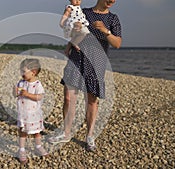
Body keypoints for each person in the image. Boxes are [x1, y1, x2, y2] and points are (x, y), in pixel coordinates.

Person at [49, 0, 122, 152]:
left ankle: (90, 136)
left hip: (96, 62)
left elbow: (117, 44)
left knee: (92, 101)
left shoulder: (113, 18)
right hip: (77, 58)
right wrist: (73, 32)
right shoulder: (84, 12)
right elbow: (71, 30)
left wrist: (105, 31)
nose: (112, 1)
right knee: (69, 98)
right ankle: (66, 133)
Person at [13, 58, 48, 164]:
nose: (21, 73)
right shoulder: (21, 83)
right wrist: (15, 92)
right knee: (22, 132)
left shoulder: (37, 84)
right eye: (21, 71)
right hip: (23, 115)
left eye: (24, 71)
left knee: (37, 132)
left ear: (33, 72)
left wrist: (28, 94)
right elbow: (16, 95)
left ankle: (38, 146)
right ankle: (22, 150)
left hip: (34, 115)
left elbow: (39, 97)